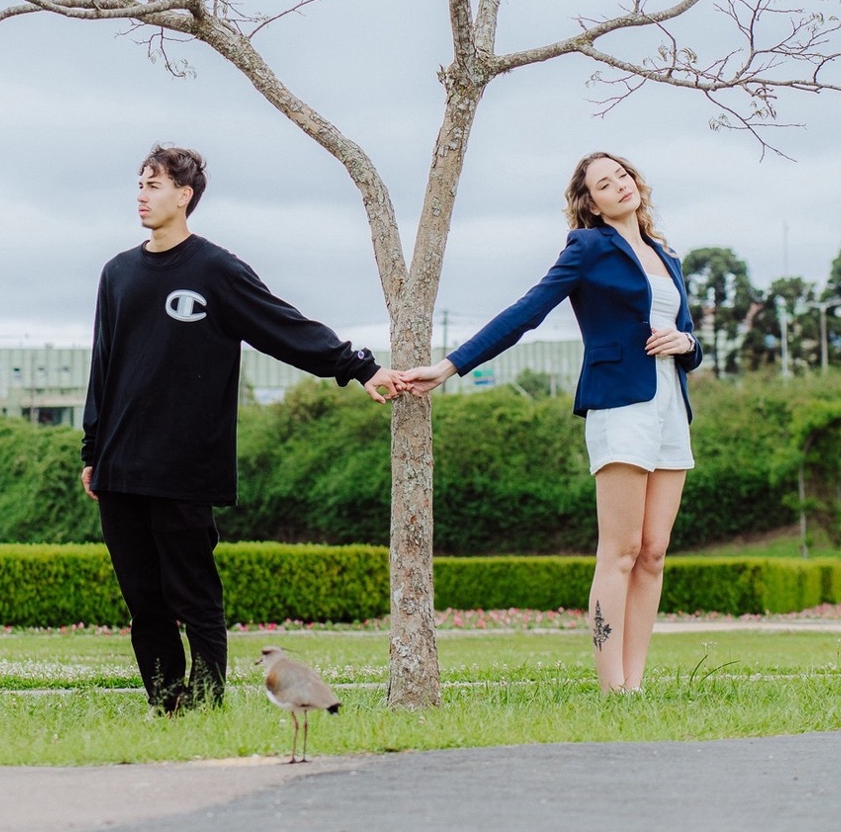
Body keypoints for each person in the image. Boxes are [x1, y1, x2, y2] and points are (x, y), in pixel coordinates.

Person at [81, 145, 403, 712]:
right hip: (120, 466)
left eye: (154, 185)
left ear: (185, 196)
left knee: (193, 595)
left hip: (185, 466)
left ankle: (206, 705)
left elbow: (283, 326)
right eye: (139, 184)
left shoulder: (215, 270)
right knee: (144, 601)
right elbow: (102, 368)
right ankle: (166, 704)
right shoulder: (117, 273)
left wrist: (358, 367)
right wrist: (92, 451)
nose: (142, 195)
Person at [399, 151, 701, 694]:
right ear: (592, 203)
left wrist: (688, 343)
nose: (619, 187)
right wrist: (450, 366)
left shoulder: (665, 252)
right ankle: (614, 689)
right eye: (604, 184)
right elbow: (528, 309)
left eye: (623, 176)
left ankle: (637, 682)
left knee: (654, 553)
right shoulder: (588, 248)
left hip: (669, 407)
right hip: (620, 404)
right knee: (622, 551)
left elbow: (687, 332)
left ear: (637, 182)